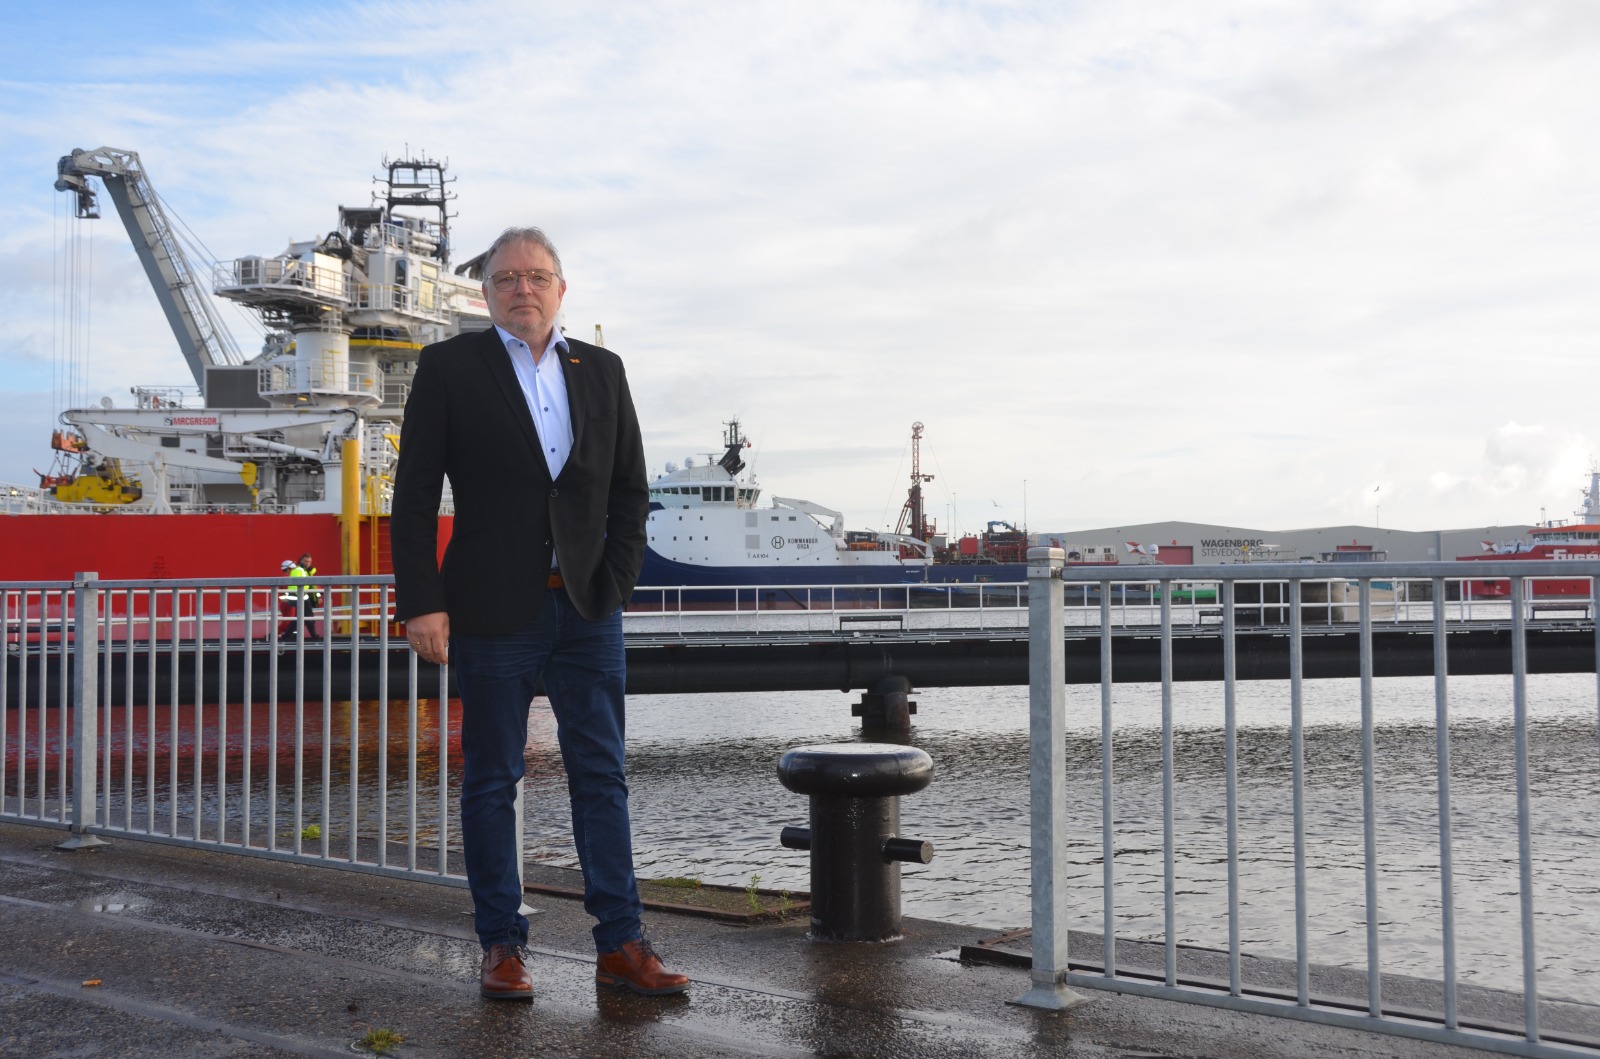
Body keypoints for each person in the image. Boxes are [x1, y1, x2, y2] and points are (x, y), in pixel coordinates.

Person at [390, 226, 686, 1002]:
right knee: (493, 778)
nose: (523, 288)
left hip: (587, 608)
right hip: (490, 608)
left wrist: (616, 581)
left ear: (561, 289)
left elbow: (629, 490)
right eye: (506, 277)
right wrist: (421, 601)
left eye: (537, 276)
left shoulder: (603, 370)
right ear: (486, 291)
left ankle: (622, 943)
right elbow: (414, 496)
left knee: (602, 775)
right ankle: (502, 944)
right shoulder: (450, 368)